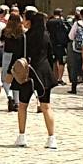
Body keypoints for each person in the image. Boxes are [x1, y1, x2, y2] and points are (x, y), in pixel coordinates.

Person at [9, 8, 59, 150]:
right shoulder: (46, 36)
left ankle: (22, 136)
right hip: (43, 72)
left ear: (30, 22)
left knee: (23, 105)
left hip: (28, 73)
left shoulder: (24, 37)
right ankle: (51, 138)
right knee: (46, 106)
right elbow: (51, 55)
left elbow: (17, 56)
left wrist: (10, 72)